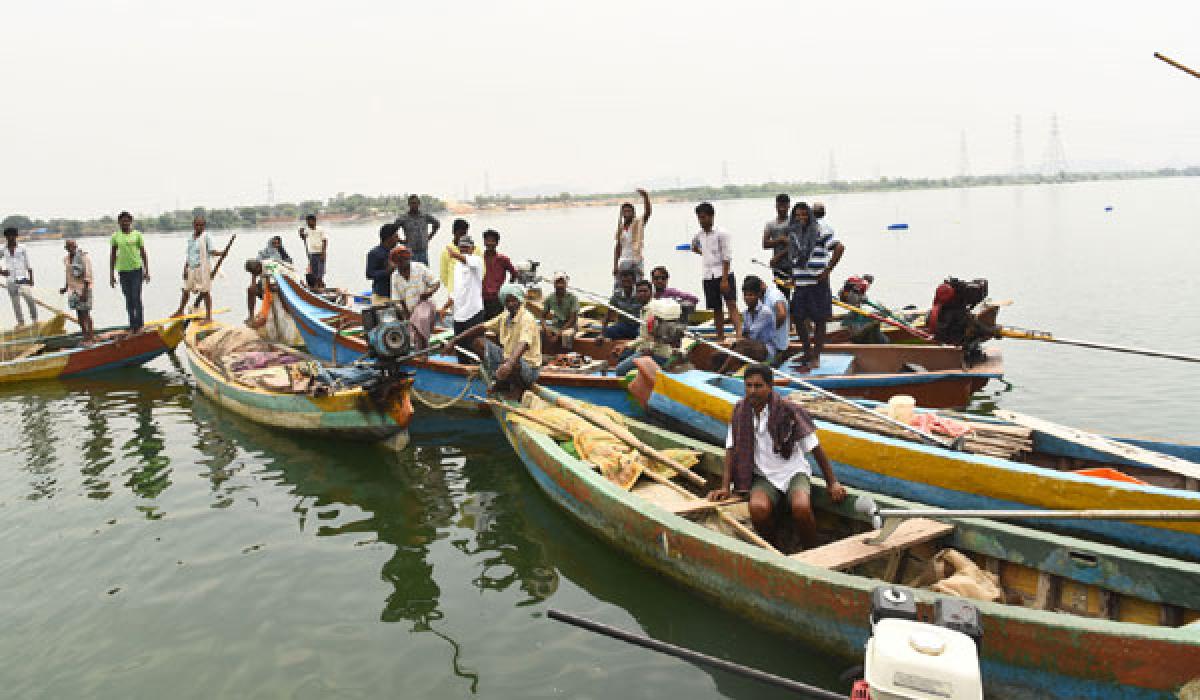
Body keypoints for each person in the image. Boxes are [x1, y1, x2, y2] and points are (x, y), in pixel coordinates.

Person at [707, 363, 846, 548]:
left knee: (801, 508)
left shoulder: (788, 410)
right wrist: (725, 487)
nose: (752, 391)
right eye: (748, 385)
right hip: (764, 476)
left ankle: (812, 548)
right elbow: (731, 448)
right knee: (758, 510)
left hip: (793, 472)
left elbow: (815, 448)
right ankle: (775, 546)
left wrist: (832, 483)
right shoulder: (740, 410)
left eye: (758, 386)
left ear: (770, 387)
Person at [451, 283, 541, 398]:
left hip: (529, 369)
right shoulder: (505, 316)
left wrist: (509, 364)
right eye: (507, 301)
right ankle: (502, 382)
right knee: (478, 342)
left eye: (514, 300)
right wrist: (455, 340)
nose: (511, 304)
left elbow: (523, 344)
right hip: (507, 360)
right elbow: (482, 327)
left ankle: (518, 389)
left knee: (515, 362)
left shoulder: (526, 318)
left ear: (520, 300)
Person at [788, 201, 845, 369]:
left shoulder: (821, 230)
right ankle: (807, 351)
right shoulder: (794, 232)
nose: (800, 218)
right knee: (797, 318)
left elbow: (839, 247)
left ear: (810, 215)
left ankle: (816, 356)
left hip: (817, 282)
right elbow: (794, 256)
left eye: (804, 214)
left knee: (820, 320)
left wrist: (828, 270)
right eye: (797, 215)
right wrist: (793, 275)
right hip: (800, 282)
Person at [690, 202, 741, 342]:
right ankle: (720, 337)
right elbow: (693, 246)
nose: (702, 221)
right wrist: (705, 254)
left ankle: (739, 336)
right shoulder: (699, 235)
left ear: (712, 216)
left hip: (723, 274)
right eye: (699, 218)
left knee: (731, 304)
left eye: (704, 217)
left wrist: (724, 280)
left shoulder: (722, 233)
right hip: (708, 275)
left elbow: (727, 258)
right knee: (716, 309)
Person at [718, 275, 790, 374]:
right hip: (754, 346)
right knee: (726, 351)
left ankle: (720, 373)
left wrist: (743, 338)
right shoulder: (746, 313)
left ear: (758, 295)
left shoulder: (765, 311)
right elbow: (744, 332)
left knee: (742, 346)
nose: (747, 298)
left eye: (751, 295)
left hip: (768, 349)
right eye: (746, 295)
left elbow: (752, 334)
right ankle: (727, 370)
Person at [612, 294, 683, 376]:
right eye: (639, 292)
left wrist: (650, 349)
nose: (642, 294)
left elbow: (655, 339)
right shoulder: (647, 313)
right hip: (648, 351)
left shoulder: (655, 315)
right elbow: (646, 336)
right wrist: (626, 345)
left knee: (620, 370)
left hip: (658, 355)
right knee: (623, 359)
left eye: (644, 291)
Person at [390, 245, 440, 349]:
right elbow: (398, 301)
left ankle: (423, 351)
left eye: (404, 259)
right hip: (410, 310)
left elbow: (436, 282)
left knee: (420, 319)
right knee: (412, 329)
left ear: (408, 258)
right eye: (399, 261)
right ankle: (420, 350)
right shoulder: (394, 276)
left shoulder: (419, 267)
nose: (402, 263)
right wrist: (406, 316)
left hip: (425, 304)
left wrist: (429, 292)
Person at [172, 215, 221, 323]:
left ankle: (209, 317)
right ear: (193, 225)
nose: (199, 227)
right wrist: (185, 268)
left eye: (201, 225)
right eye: (197, 225)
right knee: (185, 290)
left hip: (202, 269)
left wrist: (221, 253)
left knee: (205, 292)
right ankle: (180, 310)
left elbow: (212, 251)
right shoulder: (191, 237)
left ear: (204, 226)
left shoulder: (206, 237)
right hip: (191, 268)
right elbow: (189, 254)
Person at [445, 234, 484, 362]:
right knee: (461, 348)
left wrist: (454, 254)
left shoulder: (477, 260)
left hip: (473, 312)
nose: (464, 250)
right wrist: (445, 306)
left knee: (476, 346)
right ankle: (463, 370)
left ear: (472, 249)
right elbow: (457, 289)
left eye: (467, 247)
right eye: (461, 248)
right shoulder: (457, 266)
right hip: (458, 314)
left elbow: (467, 260)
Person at [109, 211, 150, 332]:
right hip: (122, 272)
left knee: (136, 297)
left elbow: (143, 253)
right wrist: (111, 275)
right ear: (119, 222)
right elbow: (112, 255)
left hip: (136, 270)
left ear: (130, 222)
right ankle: (132, 325)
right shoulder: (115, 236)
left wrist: (147, 271)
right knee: (128, 299)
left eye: (127, 221)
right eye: (122, 221)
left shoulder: (137, 235)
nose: (125, 223)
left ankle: (140, 324)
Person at [612, 188, 651, 289]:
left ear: (633, 212)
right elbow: (618, 247)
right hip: (624, 261)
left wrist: (645, 197)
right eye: (625, 211)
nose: (627, 213)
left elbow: (647, 213)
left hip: (636, 260)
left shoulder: (638, 223)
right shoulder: (621, 227)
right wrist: (615, 265)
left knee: (639, 285)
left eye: (629, 210)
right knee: (620, 285)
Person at [1, 227, 38, 326]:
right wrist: (1, 272)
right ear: (6, 237)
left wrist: (31, 279)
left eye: (13, 235)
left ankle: (35, 320)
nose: (11, 237)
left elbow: (28, 264)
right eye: (8, 236)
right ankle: (21, 323)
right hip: (10, 280)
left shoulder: (22, 248)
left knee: (29, 299)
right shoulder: (2, 249)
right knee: (15, 303)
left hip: (22, 278)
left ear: (16, 236)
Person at [60, 238, 94, 343]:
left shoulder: (83, 258)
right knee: (78, 313)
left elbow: (88, 275)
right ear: (66, 248)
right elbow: (68, 275)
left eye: (73, 246)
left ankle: (90, 336)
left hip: (83, 288)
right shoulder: (66, 259)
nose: (71, 248)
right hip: (72, 290)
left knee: (85, 313)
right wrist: (65, 288)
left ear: (76, 246)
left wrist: (84, 292)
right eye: (69, 246)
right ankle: (84, 335)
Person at [762, 193, 793, 301]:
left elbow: (794, 245)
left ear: (789, 206)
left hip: (792, 263)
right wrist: (780, 240)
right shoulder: (770, 224)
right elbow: (765, 244)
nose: (782, 209)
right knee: (781, 293)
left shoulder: (793, 222)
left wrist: (778, 256)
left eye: (784, 206)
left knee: (794, 291)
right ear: (776, 206)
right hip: (778, 265)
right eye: (780, 206)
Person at [481, 229, 517, 320]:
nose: (489, 243)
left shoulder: (503, 259)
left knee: (497, 323)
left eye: (492, 240)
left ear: (497, 243)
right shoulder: (479, 259)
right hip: (481, 297)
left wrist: (507, 289)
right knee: (482, 324)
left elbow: (514, 273)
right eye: (487, 240)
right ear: (484, 242)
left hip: (497, 298)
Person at [395, 194, 441, 265]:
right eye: (412, 203)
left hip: (423, 252)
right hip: (410, 252)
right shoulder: (403, 218)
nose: (414, 205)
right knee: (412, 273)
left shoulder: (425, 216)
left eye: (415, 203)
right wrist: (401, 241)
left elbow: (437, 224)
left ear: (419, 204)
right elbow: (392, 230)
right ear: (409, 204)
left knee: (425, 273)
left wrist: (429, 237)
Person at [541, 271, 579, 351]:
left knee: (566, 335)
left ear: (566, 284)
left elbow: (573, 319)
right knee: (541, 333)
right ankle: (546, 354)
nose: (560, 285)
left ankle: (566, 354)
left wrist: (559, 333)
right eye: (557, 283)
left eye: (562, 283)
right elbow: (542, 316)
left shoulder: (573, 298)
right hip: (555, 326)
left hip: (569, 327)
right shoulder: (550, 298)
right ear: (554, 284)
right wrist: (545, 328)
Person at [602, 266, 642, 340]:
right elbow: (608, 314)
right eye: (623, 281)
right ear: (620, 282)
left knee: (641, 334)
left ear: (634, 281)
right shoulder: (617, 295)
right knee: (609, 331)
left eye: (628, 281)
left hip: (638, 325)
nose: (626, 284)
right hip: (623, 325)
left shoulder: (640, 294)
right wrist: (602, 333)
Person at [366, 223, 400, 305]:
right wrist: (387, 271)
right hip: (381, 295)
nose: (398, 239)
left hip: (398, 295)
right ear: (389, 238)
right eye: (396, 236)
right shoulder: (374, 253)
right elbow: (369, 274)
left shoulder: (398, 252)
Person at [439, 219, 469, 292]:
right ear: (453, 232)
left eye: (464, 234)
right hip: (454, 291)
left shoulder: (475, 249)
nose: (462, 237)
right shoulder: (446, 252)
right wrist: (452, 288)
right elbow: (444, 275)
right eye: (460, 234)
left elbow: (481, 270)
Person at [298, 213, 326, 288]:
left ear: (314, 221)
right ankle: (316, 286)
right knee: (314, 271)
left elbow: (325, 241)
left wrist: (323, 253)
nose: (308, 224)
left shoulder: (320, 229)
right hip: (312, 253)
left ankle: (320, 285)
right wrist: (300, 233)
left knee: (321, 271)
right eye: (307, 222)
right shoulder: (308, 230)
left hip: (320, 253)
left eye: (309, 222)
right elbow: (303, 237)